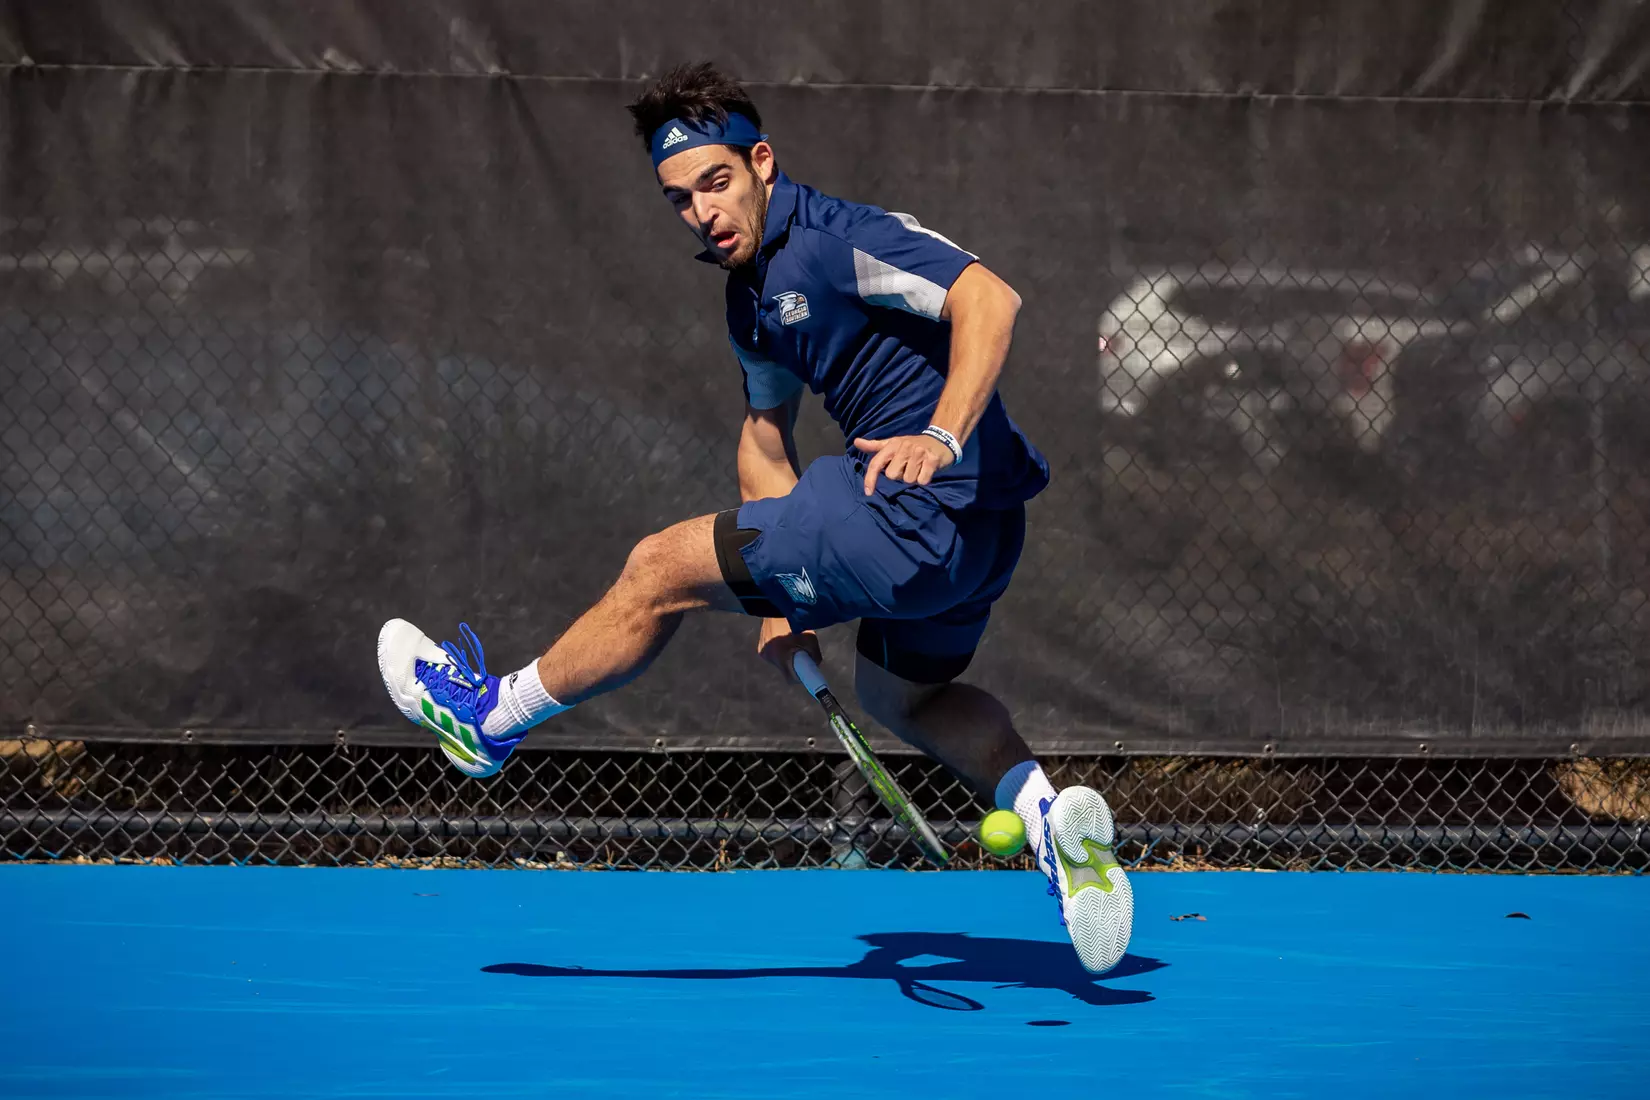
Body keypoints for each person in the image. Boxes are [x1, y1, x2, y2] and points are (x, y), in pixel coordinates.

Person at [376, 63, 1132, 973]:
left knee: (657, 573)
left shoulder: (838, 237)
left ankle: (489, 720)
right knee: (907, 698)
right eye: (680, 198)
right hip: (976, 545)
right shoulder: (749, 301)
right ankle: (1052, 823)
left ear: (762, 162)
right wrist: (783, 596)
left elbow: (989, 299)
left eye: (717, 181)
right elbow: (764, 430)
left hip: (916, 508)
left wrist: (938, 432)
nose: (702, 211)